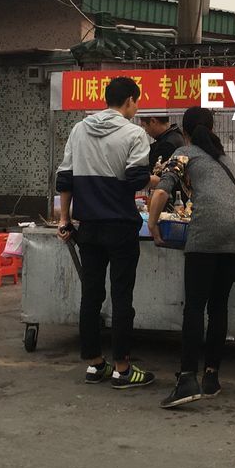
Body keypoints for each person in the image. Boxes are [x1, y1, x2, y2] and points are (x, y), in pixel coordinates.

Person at [56, 76, 156, 390]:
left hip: (88, 227)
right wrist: (155, 179)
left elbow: (65, 178)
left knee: (91, 295)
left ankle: (94, 364)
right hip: (122, 226)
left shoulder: (79, 129)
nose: (137, 108)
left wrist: (64, 219)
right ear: (128, 101)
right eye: (136, 102)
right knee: (121, 296)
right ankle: (123, 369)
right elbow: (135, 180)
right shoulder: (134, 133)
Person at [147, 106, 235, 409]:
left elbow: (162, 193)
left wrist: (153, 224)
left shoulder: (184, 152)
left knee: (194, 307)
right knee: (218, 306)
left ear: (187, 131)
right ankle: (212, 377)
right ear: (213, 127)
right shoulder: (225, 158)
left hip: (207, 232)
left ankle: (187, 380)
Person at [142, 112, 185, 186]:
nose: (146, 131)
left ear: (153, 121)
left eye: (144, 126)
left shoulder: (167, 144)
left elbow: (156, 176)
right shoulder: (176, 134)